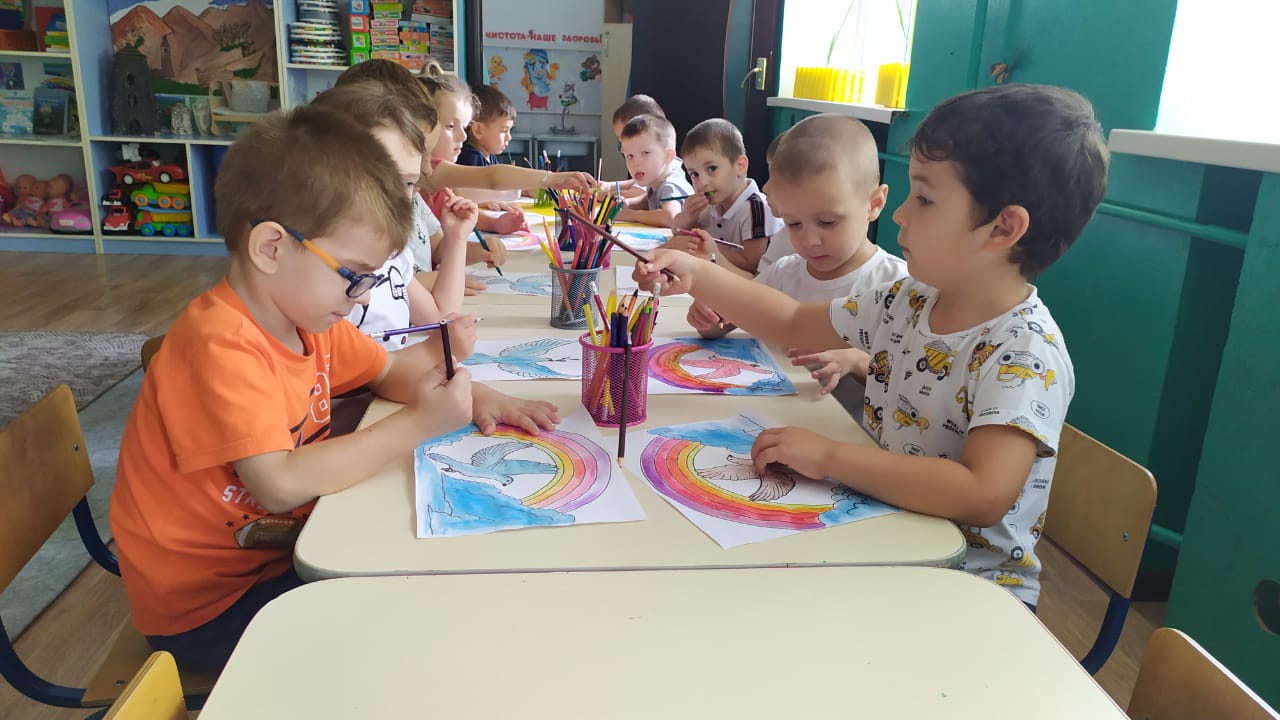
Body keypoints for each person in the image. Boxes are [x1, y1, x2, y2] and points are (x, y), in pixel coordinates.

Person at [110, 104, 561, 672]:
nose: (363, 296)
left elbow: (390, 371)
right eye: (353, 275)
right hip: (210, 608)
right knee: (424, 631)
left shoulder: (306, 318)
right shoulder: (220, 343)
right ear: (271, 247)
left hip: (281, 556)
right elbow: (278, 484)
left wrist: (482, 400)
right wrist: (419, 424)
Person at [634, 83, 1110, 609]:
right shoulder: (909, 299)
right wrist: (699, 274)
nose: (900, 214)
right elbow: (791, 321)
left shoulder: (1023, 352)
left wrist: (830, 457)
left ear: (1002, 228)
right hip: (883, 532)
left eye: (924, 198)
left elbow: (981, 492)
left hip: (970, 590)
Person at [687, 115, 906, 388]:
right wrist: (709, 316)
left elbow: (912, 380)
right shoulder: (783, 273)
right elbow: (723, 324)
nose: (809, 240)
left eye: (827, 222)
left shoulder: (898, 286)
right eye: (793, 223)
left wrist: (858, 362)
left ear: (874, 204)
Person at [416, 62, 594, 238]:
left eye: (463, 126)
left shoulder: (441, 181)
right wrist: (552, 178)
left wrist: (494, 224)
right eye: (450, 126)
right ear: (421, 127)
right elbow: (491, 177)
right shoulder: (428, 170)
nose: (462, 136)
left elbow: (458, 212)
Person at [669, 118, 786, 274]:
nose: (702, 182)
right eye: (694, 174)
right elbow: (676, 231)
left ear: (740, 166)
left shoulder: (756, 208)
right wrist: (687, 216)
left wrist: (710, 251)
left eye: (711, 169)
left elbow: (752, 264)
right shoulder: (710, 203)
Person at [610, 113, 693, 228]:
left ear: (668, 156)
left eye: (645, 153)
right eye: (630, 156)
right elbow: (648, 199)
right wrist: (628, 203)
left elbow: (669, 217)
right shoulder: (656, 178)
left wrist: (631, 215)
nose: (636, 163)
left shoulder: (671, 184)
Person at [606, 93, 667, 200]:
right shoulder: (652, 168)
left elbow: (639, 193)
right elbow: (635, 183)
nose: (622, 149)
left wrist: (601, 194)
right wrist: (608, 186)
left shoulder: (660, 167)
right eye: (621, 141)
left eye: (626, 140)